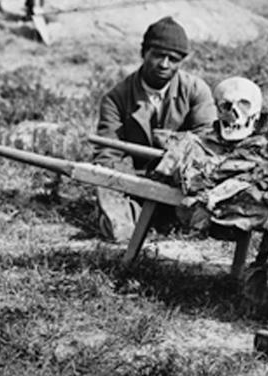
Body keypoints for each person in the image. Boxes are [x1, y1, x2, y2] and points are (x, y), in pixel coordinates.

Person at [92, 17, 216, 241]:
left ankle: (164, 219)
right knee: (119, 229)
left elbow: (208, 143)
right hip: (137, 185)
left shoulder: (196, 91)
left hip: (183, 184)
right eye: (158, 55)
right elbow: (107, 155)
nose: (164, 64)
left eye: (174, 59)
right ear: (144, 52)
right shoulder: (116, 98)